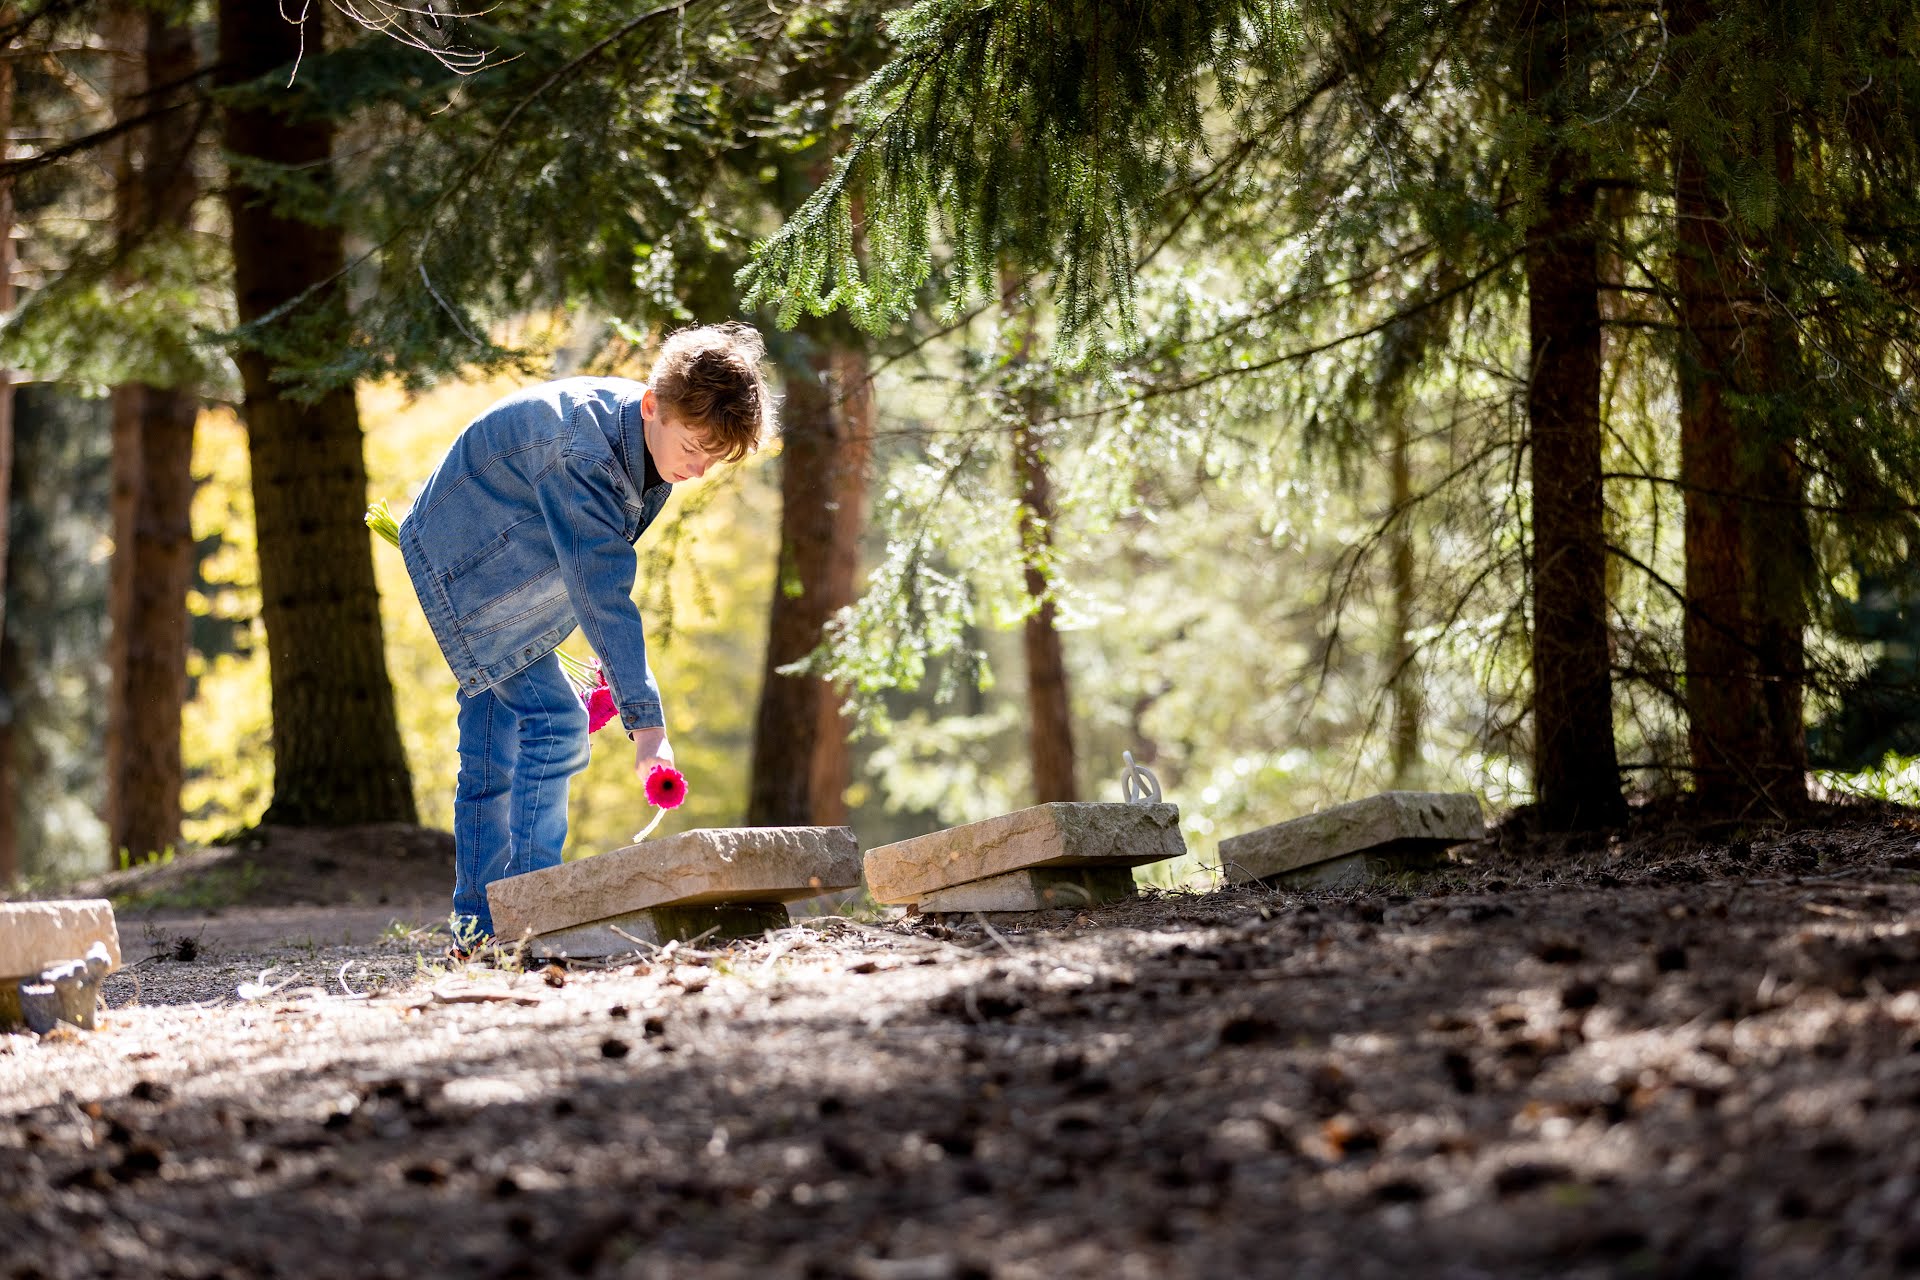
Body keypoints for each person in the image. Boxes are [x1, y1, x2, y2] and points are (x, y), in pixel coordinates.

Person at [396, 323, 775, 950]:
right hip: (467, 561)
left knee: (493, 745)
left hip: (506, 552)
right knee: (557, 722)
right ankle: (532, 915)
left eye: (714, 458)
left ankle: (477, 928)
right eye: (695, 448)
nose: (699, 469)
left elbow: (591, 564)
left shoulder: (647, 438)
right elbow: (600, 588)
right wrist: (646, 723)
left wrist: (611, 667)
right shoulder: (585, 456)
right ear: (653, 404)